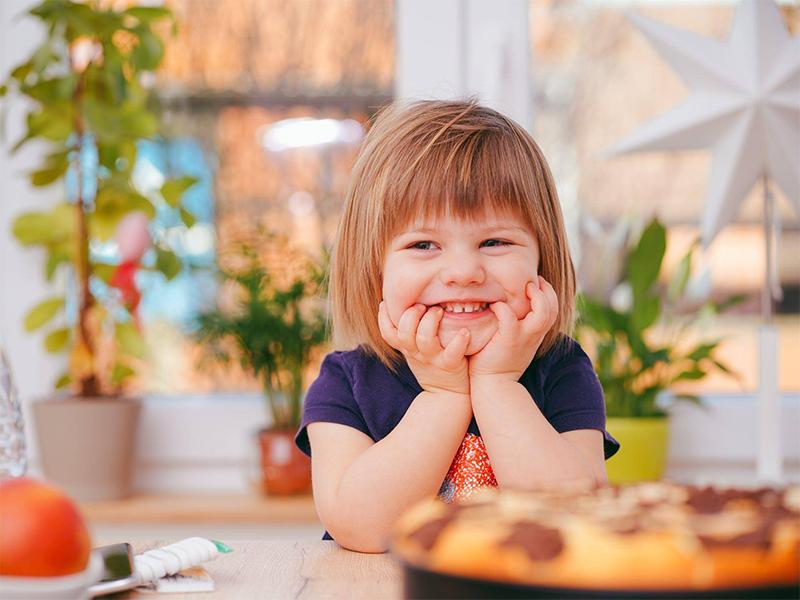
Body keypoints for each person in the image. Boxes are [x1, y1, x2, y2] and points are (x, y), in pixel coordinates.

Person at [295, 99, 619, 553]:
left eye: (495, 241)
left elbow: (575, 523)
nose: (463, 271)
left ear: (542, 259)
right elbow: (361, 528)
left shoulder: (562, 369)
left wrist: (498, 385)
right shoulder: (346, 382)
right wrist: (444, 395)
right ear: (374, 270)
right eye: (424, 244)